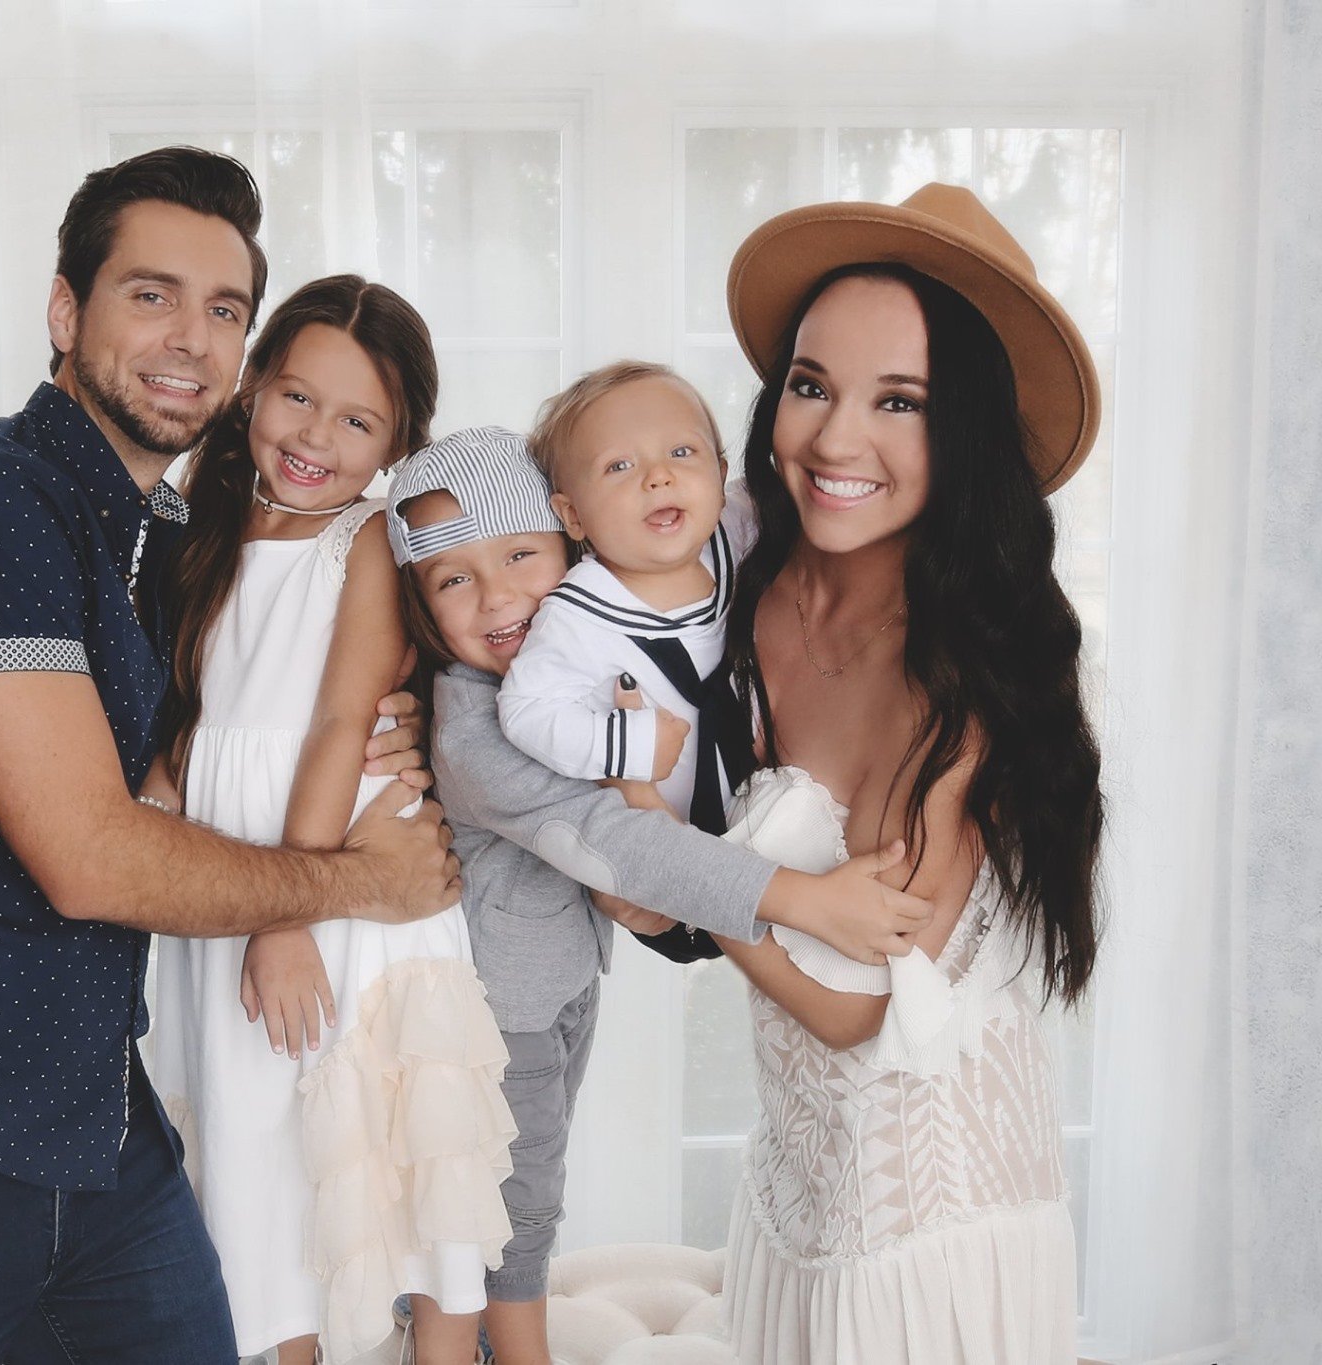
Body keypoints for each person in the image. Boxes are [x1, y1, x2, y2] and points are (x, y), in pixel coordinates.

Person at [0, 147, 458, 1365]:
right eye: (150, 294)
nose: (191, 339)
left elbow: (228, 726)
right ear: (65, 311)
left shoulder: (155, 546)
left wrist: (397, 722)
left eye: (224, 311)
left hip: (90, 1136)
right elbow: (92, 857)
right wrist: (358, 883)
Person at [385, 426, 935, 1365]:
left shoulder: (569, 668)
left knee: (511, 1190)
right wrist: (802, 898)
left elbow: (709, 524)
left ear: (570, 543)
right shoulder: (478, 733)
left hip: (549, 985)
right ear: (421, 606)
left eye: (519, 555)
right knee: (512, 1205)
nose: (500, 595)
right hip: (490, 1008)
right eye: (454, 579)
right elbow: (617, 841)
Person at [712, 183, 1105, 1362]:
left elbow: (857, 1012)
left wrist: (679, 878)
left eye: (901, 402)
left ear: (966, 437)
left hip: (929, 1226)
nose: (835, 441)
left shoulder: (966, 681)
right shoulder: (728, 571)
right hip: (795, 1188)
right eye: (811, 384)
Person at [145, 277, 516, 1365]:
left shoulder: (362, 538)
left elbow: (338, 720)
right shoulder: (196, 527)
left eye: (357, 421)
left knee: (401, 1164)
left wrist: (282, 917)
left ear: (397, 442)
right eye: (297, 399)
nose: (316, 437)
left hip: (331, 864)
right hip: (228, 866)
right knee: (257, 1173)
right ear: (252, 385)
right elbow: (195, 713)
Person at [495, 363, 753, 924]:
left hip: (775, 825)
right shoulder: (576, 616)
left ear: (720, 473)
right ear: (573, 515)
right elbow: (525, 710)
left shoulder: (735, 536)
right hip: (671, 853)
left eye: (683, 453)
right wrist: (626, 745)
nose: (658, 477)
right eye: (619, 466)